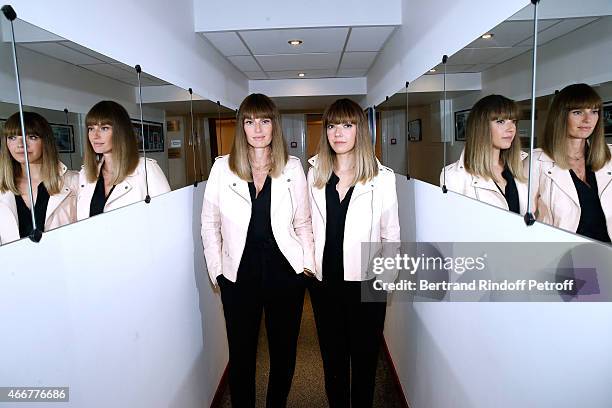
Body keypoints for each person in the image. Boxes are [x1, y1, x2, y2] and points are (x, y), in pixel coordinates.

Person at [201, 93, 315, 407]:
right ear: (242, 127)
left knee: (283, 354)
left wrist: (305, 267)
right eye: (250, 121)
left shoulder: (292, 167)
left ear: (274, 125)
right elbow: (209, 223)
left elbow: (304, 222)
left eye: (264, 120)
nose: (258, 129)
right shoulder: (223, 168)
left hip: (285, 275)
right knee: (241, 356)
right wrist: (218, 272)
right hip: (238, 275)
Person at [307, 98, 400, 408]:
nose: (338, 133)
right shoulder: (314, 174)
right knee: (332, 361)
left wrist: (383, 280)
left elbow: (391, 234)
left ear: (360, 130)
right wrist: (309, 263)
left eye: (347, 125)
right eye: (332, 126)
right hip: (325, 285)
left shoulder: (382, 177)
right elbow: (304, 223)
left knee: (365, 362)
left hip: (367, 284)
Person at [528, 83, 612, 242]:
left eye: (594, 112)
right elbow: (522, 218)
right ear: (560, 116)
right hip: (564, 257)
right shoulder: (537, 162)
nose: (588, 119)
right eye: (578, 112)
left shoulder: (610, 157)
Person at [77, 100, 170, 219]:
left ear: (120, 132)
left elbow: (167, 218)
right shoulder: (85, 175)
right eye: (91, 128)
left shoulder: (147, 170)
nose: (95, 136)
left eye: (104, 128)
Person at [441, 94, 528, 214]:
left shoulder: (522, 166)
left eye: (513, 121)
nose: (511, 129)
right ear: (481, 127)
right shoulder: (455, 177)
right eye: (501, 121)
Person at [0, 111, 77, 244]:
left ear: (45, 141)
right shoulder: (3, 186)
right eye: (12, 137)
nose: (21, 144)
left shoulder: (74, 181)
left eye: (31, 137)